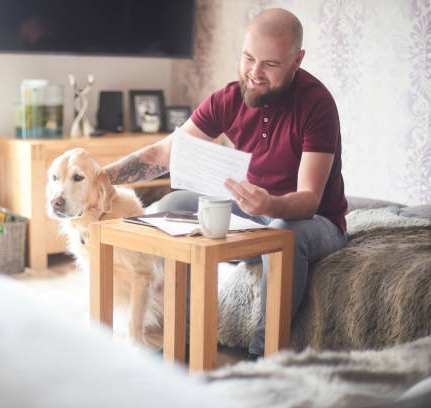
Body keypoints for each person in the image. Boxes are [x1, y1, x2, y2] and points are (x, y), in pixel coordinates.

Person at [104, 8, 348, 361]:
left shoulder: (317, 104)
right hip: (252, 214)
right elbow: (162, 154)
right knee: (168, 208)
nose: (255, 73)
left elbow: (309, 200)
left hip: (314, 223)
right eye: (248, 58)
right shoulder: (231, 97)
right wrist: (99, 178)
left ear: (298, 61)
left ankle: (262, 357)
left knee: (285, 230)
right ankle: (181, 340)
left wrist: (271, 204)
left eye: (270, 65)